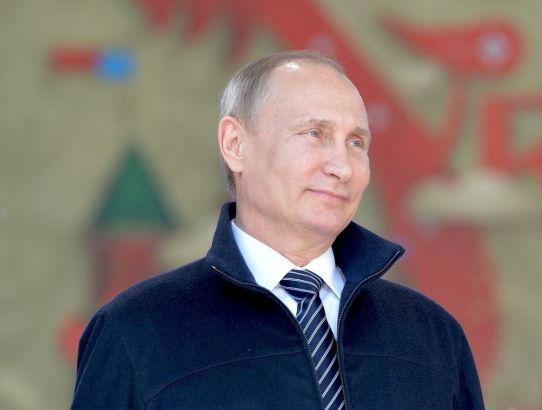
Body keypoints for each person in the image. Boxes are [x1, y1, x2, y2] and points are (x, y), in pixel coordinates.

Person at [71, 50, 484, 409]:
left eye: (356, 142)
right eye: (314, 134)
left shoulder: (432, 335)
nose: (341, 167)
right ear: (235, 144)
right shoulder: (136, 332)